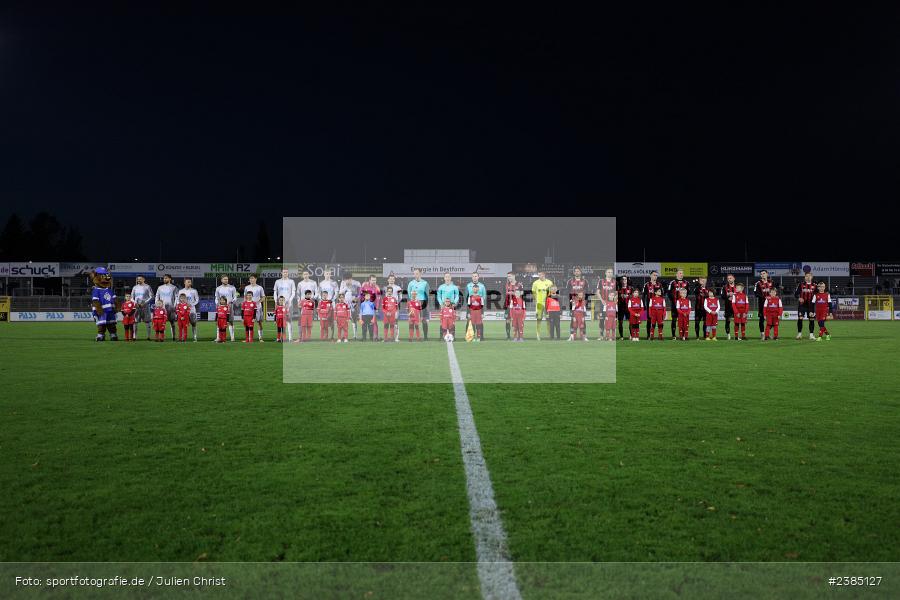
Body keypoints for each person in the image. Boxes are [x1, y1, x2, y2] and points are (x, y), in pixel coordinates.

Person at [406, 269, 430, 340]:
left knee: (424, 320)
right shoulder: (411, 283)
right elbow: (409, 294)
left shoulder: (425, 283)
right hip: (414, 304)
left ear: (420, 274)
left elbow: (427, 294)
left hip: (422, 302)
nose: (415, 275)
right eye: (414, 274)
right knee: (412, 320)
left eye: (417, 273)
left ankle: (425, 337)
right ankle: (413, 337)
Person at [273, 269, 297, 342]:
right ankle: (279, 338)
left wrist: (289, 300)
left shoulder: (291, 281)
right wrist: (275, 300)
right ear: (281, 273)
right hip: (279, 304)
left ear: (288, 273)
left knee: (289, 320)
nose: (285, 273)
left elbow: (293, 292)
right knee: (279, 321)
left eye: (286, 272)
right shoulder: (277, 281)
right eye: (284, 272)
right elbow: (275, 291)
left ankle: (290, 338)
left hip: (288, 304)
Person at [155, 274, 179, 341]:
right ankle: (162, 337)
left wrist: (175, 306)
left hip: (171, 307)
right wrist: (157, 304)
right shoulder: (160, 287)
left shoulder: (174, 287)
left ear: (170, 279)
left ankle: (174, 337)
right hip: (162, 308)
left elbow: (177, 297)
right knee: (162, 323)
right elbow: (157, 296)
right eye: (164, 278)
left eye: (166, 278)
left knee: (172, 322)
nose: (165, 279)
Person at [794, 272, 818, 340]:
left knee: (811, 319)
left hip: (811, 306)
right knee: (800, 319)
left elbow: (817, 295)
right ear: (804, 277)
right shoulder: (801, 285)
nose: (808, 277)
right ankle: (799, 334)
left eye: (809, 276)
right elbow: (795, 294)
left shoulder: (815, 285)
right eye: (806, 276)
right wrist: (799, 298)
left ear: (812, 277)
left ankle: (811, 335)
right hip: (802, 305)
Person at [214, 275, 238, 342]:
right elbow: (216, 298)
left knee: (231, 321)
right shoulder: (218, 288)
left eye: (227, 279)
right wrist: (217, 304)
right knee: (219, 322)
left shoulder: (232, 288)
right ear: (221, 280)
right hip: (221, 307)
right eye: (224, 279)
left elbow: (235, 297)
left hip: (229, 306)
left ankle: (232, 337)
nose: (226, 280)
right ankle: (218, 337)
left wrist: (231, 302)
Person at [667, 269, 689, 340]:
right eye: (680, 273)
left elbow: (688, 292)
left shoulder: (686, 282)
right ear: (676, 274)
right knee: (674, 320)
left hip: (683, 306)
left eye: (682, 273)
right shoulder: (672, 282)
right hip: (674, 305)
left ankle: (683, 335)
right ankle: (673, 335)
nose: (681, 274)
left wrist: (684, 301)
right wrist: (674, 302)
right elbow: (669, 293)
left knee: (683, 321)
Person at [531, 271, 553, 340]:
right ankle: (538, 334)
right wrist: (536, 300)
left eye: (540, 275)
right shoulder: (535, 283)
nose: (539, 276)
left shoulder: (549, 282)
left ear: (544, 275)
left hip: (547, 303)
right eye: (538, 275)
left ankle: (549, 334)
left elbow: (552, 292)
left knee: (548, 319)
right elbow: (534, 292)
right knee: (539, 319)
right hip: (539, 304)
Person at [566, 268, 588, 338]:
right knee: (572, 320)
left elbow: (587, 292)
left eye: (578, 271)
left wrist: (585, 301)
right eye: (575, 271)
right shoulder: (570, 281)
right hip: (573, 303)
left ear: (580, 272)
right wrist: (570, 301)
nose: (576, 272)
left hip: (582, 303)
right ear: (574, 272)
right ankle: (571, 335)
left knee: (583, 320)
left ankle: (584, 335)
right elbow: (567, 292)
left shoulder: (585, 281)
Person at [641, 270, 663, 339]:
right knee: (649, 320)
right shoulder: (647, 285)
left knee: (660, 321)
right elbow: (643, 296)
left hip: (658, 306)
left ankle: (660, 335)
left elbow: (662, 295)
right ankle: (648, 335)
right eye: (654, 275)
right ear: (650, 276)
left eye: (656, 275)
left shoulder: (659, 285)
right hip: (649, 306)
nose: (655, 276)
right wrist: (644, 305)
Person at [244, 274, 266, 342]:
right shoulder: (247, 287)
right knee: (248, 323)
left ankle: (260, 338)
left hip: (257, 308)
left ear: (256, 279)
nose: (251, 280)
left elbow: (263, 297)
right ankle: (248, 338)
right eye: (250, 278)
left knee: (259, 322)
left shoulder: (260, 287)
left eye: (253, 278)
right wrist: (245, 305)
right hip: (249, 309)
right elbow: (245, 297)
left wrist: (258, 302)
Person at [754, 270, 775, 340]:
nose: (762, 275)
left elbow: (775, 291)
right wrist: (764, 297)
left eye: (764, 273)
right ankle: (762, 334)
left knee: (772, 320)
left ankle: (767, 333)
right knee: (761, 320)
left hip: (771, 305)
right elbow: (756, 293)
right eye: (761, 274)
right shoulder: (758, 283)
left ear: (767, 274)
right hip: (762, 305)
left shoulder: (771, 282)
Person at [131, 275, 154, 340]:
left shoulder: (147, 287)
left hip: (145, 307)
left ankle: (149, 336)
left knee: (147, 322)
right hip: (137, 307)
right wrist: (135, 303)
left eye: (140, 279)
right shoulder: (135, 287)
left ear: (144, 279)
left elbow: (152, 296)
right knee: (135, 322)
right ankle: (134, 337)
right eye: (138, 279)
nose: (139, 280)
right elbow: (132, 297)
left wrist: (145, 303)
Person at [339, 273, 361, 339]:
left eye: (348, 279)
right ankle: (344, 335)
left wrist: (356, 298)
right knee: (344, 319)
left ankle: (355, 335)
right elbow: (340, 293)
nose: (347, 281)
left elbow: (360, 293)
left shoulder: (357, 283)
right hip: (345, 304)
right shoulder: (343, 283)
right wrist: (346, 287)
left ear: (351, 278)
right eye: (346, 280)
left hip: (354, 303)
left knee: (354, 319)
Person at [359, 275, 381, 340]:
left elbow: (378, 298)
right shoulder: (364, 286)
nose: (374, 281)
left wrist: (376, 308)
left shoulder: (377, 288)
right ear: (369, 280)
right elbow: (360, 295)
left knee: (374, 322)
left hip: (372, 308)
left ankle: (375, 337)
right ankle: (364, 337)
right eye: (372, 280)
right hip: (365, 307)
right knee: (364, 323)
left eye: (375, 280)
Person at [596, 268, 617, 336]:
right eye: (608, 272)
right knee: (602, 319)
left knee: (612, 318)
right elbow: (597, 292)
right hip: (603, 303)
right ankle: (601, 335)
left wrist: (614, 301)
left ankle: (612, 335)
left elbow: (617, 293)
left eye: (611, 272)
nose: (610, 273)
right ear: (605, 273)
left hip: (611, 304)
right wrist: (602, 301)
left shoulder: (615, 282)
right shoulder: (601, 281)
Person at [504, 272, 523, 340]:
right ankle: (508, 336)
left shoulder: (519, 284)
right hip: (508, 305)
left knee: (517, 321)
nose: (509, 278)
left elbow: (522, 293)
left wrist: (514, 293)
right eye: (508, 276)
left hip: (516, 305)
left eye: (510, 276)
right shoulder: (507, 284)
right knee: (507, 320)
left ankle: (518, 336)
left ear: (514, 276)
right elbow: (505, 294)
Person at [383, 275, 403, 341]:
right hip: (387, 309)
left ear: (394, 280)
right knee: (386, 323)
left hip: (395, 308)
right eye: (390, 279)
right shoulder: (385, 288)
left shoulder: (398, 288)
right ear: (388, 280)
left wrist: (395, 303)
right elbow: (384, 298)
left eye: (393, 279)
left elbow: (400, 297)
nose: (391, 280)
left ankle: (396, 338)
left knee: (395, 322)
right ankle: (387, 338)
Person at [719, 273, 737, 340]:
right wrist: (728, 295)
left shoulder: (738, 286)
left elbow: (742, 295)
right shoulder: (724, 287)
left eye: (730, 278)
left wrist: (734, 296)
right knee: (727, 321)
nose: (729, 280)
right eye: (728, 278)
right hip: (728, 307)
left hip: (736, 307)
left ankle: (736, 335)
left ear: (734, 278)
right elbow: (722, 296)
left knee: (737, 321)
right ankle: (728, 335)